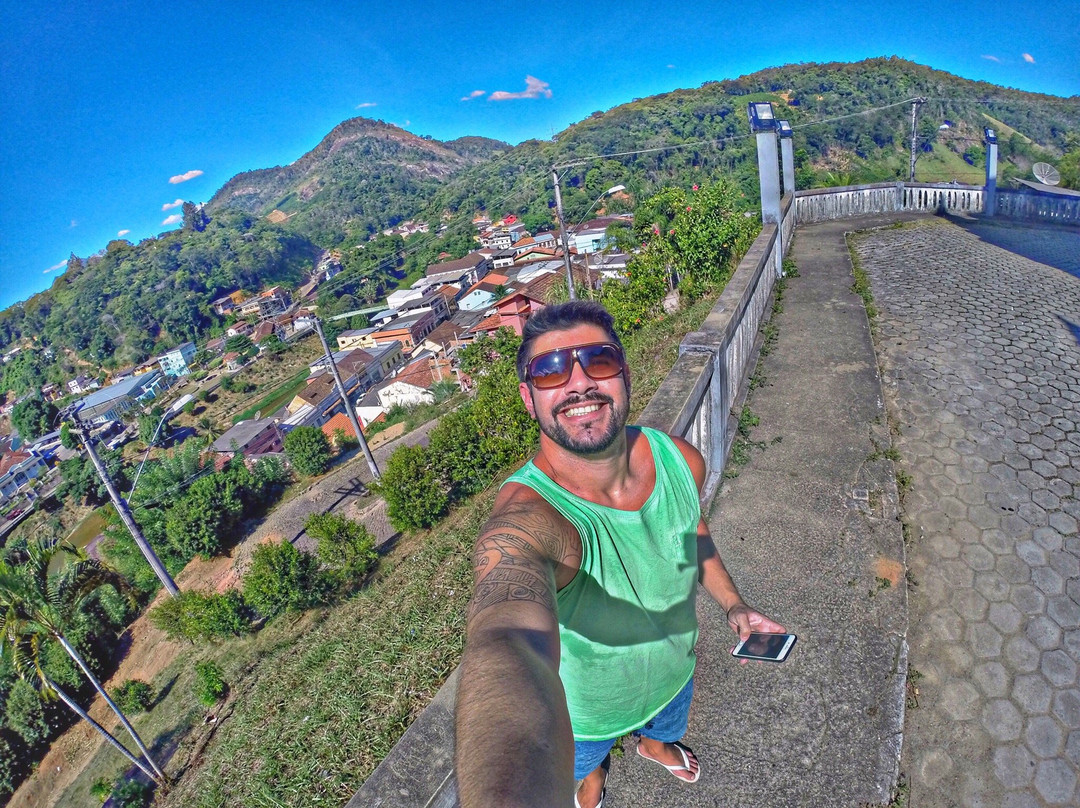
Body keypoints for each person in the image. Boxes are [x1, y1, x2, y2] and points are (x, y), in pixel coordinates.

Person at [455, 301, 783, 808]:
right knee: (583, 767)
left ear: (625, 375)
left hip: (675, 671)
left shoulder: (680, 461)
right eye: (550, 370)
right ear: (528, 398)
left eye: (599, 360)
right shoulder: (532, 516)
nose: (580, 382)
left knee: (667, 728)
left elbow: (690, 532)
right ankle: (592, 781)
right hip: (588, 714)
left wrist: (733, 604)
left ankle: (654, 745)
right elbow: (505, 639)